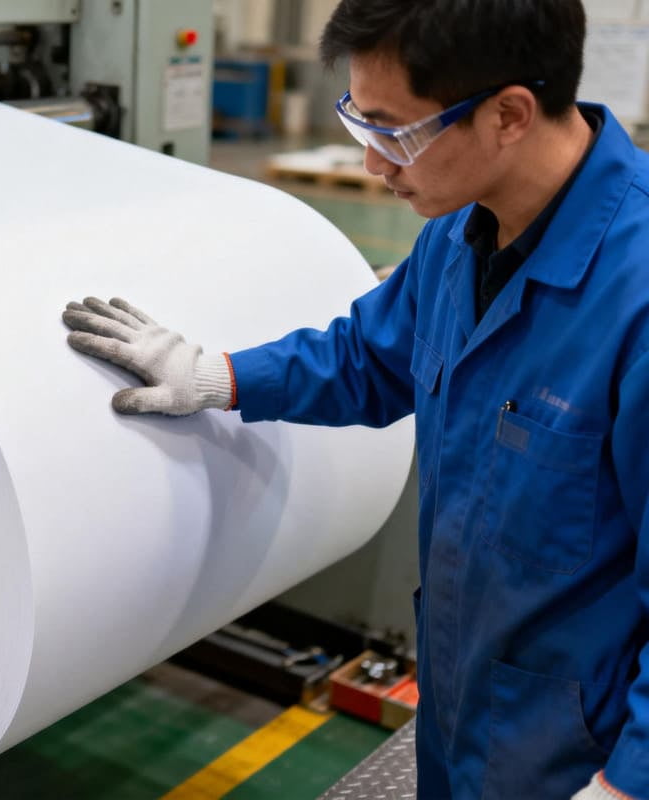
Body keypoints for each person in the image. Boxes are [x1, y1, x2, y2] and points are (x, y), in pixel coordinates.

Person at [62, 1, 649, 797]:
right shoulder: (460, 232)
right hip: (458, 706)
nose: (375, 164)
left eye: (395, 132)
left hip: (573, 751)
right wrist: (212, 375)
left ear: (508, 114)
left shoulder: (635, 294)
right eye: (358, 122)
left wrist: (626, 783)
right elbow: (369, 358)